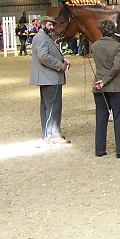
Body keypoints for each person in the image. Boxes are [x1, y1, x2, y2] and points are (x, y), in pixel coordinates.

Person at [91, 20, 120, 158]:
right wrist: (105, 81)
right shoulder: (117, 46)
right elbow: (116, 68)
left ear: (100, 30)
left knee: (101, 119)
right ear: (113, 31)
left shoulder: (94, 46)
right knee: (118, 119)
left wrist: (101, 82)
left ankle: (100, 150)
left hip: (98, 87)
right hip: (116, 87)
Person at [29, 16, 71, 144]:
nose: (52, 27)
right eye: (49, 25)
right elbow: (43, 56)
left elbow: (49, 54)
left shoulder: (45, 37)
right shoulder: (41, 37)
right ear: (42, 25)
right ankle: (53, 134)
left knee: (48, 106)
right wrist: (59, 65)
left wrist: (63, 61)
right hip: (50, 77)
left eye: (52, 25)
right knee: (53, 106)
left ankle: (49, 133)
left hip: (49, 77)